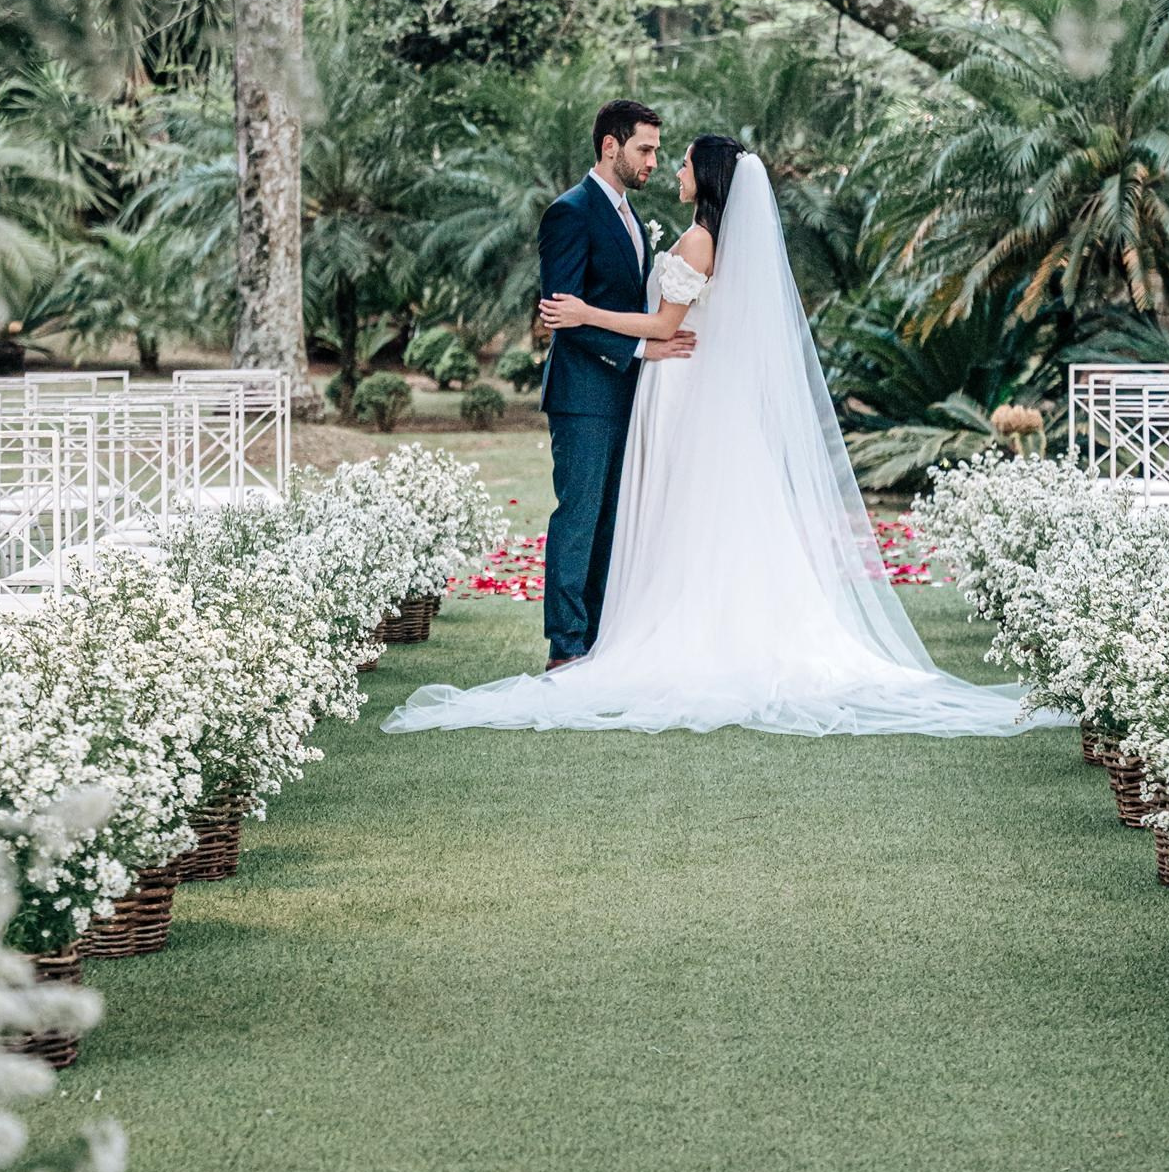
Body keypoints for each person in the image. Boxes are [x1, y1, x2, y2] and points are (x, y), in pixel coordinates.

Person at [383, 138, 1058, 738]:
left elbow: (660, 324)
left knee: (689, 509)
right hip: (682, 383)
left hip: (680, 385)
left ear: (705, 178)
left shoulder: (701, 240)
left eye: (679, 162)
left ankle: (667, 631)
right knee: (695, 512)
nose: (669, 167)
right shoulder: (702, 235)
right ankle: (618, 628)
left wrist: (583, 311)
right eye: (657, 155)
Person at [534, 99, 695, 667]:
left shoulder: (629, 217)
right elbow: (561, 313)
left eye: (656, 150)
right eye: (644, 149)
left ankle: (598, 638)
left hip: (629, 393)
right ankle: (566, 647)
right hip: (582, 394)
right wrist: (641, 347)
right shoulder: (571, 212)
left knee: (612, 519)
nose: (654, 160)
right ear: (611, 146)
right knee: (578, 517)